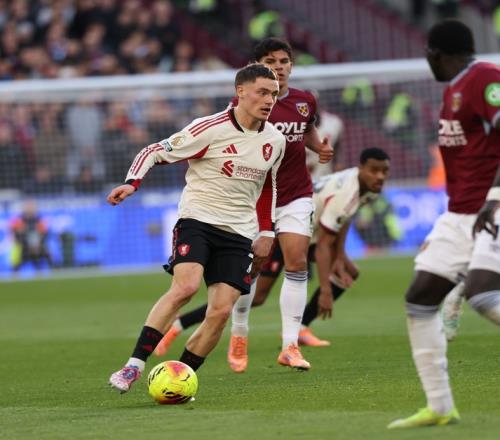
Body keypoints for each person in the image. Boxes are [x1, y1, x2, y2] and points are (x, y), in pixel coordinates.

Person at [153, 38, 333, 371]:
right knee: (249, 270)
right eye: (270, 62)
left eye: (284, 61)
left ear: (292, 65)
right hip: (252, 198)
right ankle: (239, 333)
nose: (278, 67)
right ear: (257, 68)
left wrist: (318, 148)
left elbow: (306, 131)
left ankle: (290, 345)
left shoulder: (305, 101)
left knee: (297, 262)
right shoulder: (248, 104)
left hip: (295, 194)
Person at [108, 63, 286, 393]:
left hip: (239, 233)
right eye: (262, 92)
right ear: (241, 92)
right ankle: (134, 366)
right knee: (186, 288)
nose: (269, 100)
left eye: (273, 94)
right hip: (198, 220)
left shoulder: (275, 140)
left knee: (220, 312)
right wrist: (133, 182)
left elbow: (267, 188)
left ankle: (179, 378)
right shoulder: (210, 128)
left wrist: (267, 232)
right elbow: (154, 151)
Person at [154, 148, 390, 356]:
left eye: (384, 171)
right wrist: (326, 291)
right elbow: (324, 246)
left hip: (308, 233)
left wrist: (340, 257)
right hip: (285, 231)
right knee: (255, 296)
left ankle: (301, 328)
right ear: (361, 167)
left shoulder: (365, 186)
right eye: (374, 170)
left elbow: (344, 219)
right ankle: (180, 324)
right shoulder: (347, 192)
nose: (380, 176)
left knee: (349, 270)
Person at [388, 20, 500, 429]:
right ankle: (439, 406)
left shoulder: (485, 78)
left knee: (483, 296)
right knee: (420, 298)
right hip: (461, 215)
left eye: (427, 55)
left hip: (492, 206)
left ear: (435, 53)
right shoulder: (454, 88)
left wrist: (495, 196)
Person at [10, 200, 51, 272]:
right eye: (28, 207)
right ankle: (14, 273)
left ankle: (54, 271)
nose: (30, 209)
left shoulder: (39, 220)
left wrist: (38, 244)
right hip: (23, 247)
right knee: (16, 252)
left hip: (37, 247)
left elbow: (45, 234)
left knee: (47, 253)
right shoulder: (19, 220)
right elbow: (14, 233)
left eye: (32, 207)